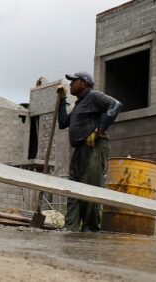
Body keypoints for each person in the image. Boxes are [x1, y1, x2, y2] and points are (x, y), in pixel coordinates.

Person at [57, 71, 122, 232]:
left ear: (84, 83)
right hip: (79, 149)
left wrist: (99, 131)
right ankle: (70, 227)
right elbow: (63, 123)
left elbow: (116, 105)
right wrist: (63, 99)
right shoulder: (79, 104)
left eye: (74, 81)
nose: (71, 84)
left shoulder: (94, 96)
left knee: (90, 188)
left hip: (94, 146)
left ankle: (90, 229)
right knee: (73, 188)